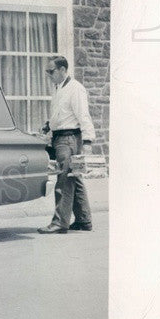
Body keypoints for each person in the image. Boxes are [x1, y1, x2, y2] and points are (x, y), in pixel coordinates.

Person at [38, 56, 96, 234]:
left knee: (63, 181)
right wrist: (49, 124)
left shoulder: (75, 88)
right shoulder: (58, 88)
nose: (48, 74)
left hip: (69, 138)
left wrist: (87, 141)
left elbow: (83, 115)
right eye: (47, 71)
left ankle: (59, 222)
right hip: (60, 137)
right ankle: (84, 221)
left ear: (63, 70)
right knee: (74, 179)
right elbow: (62, 113)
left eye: (51, 71)